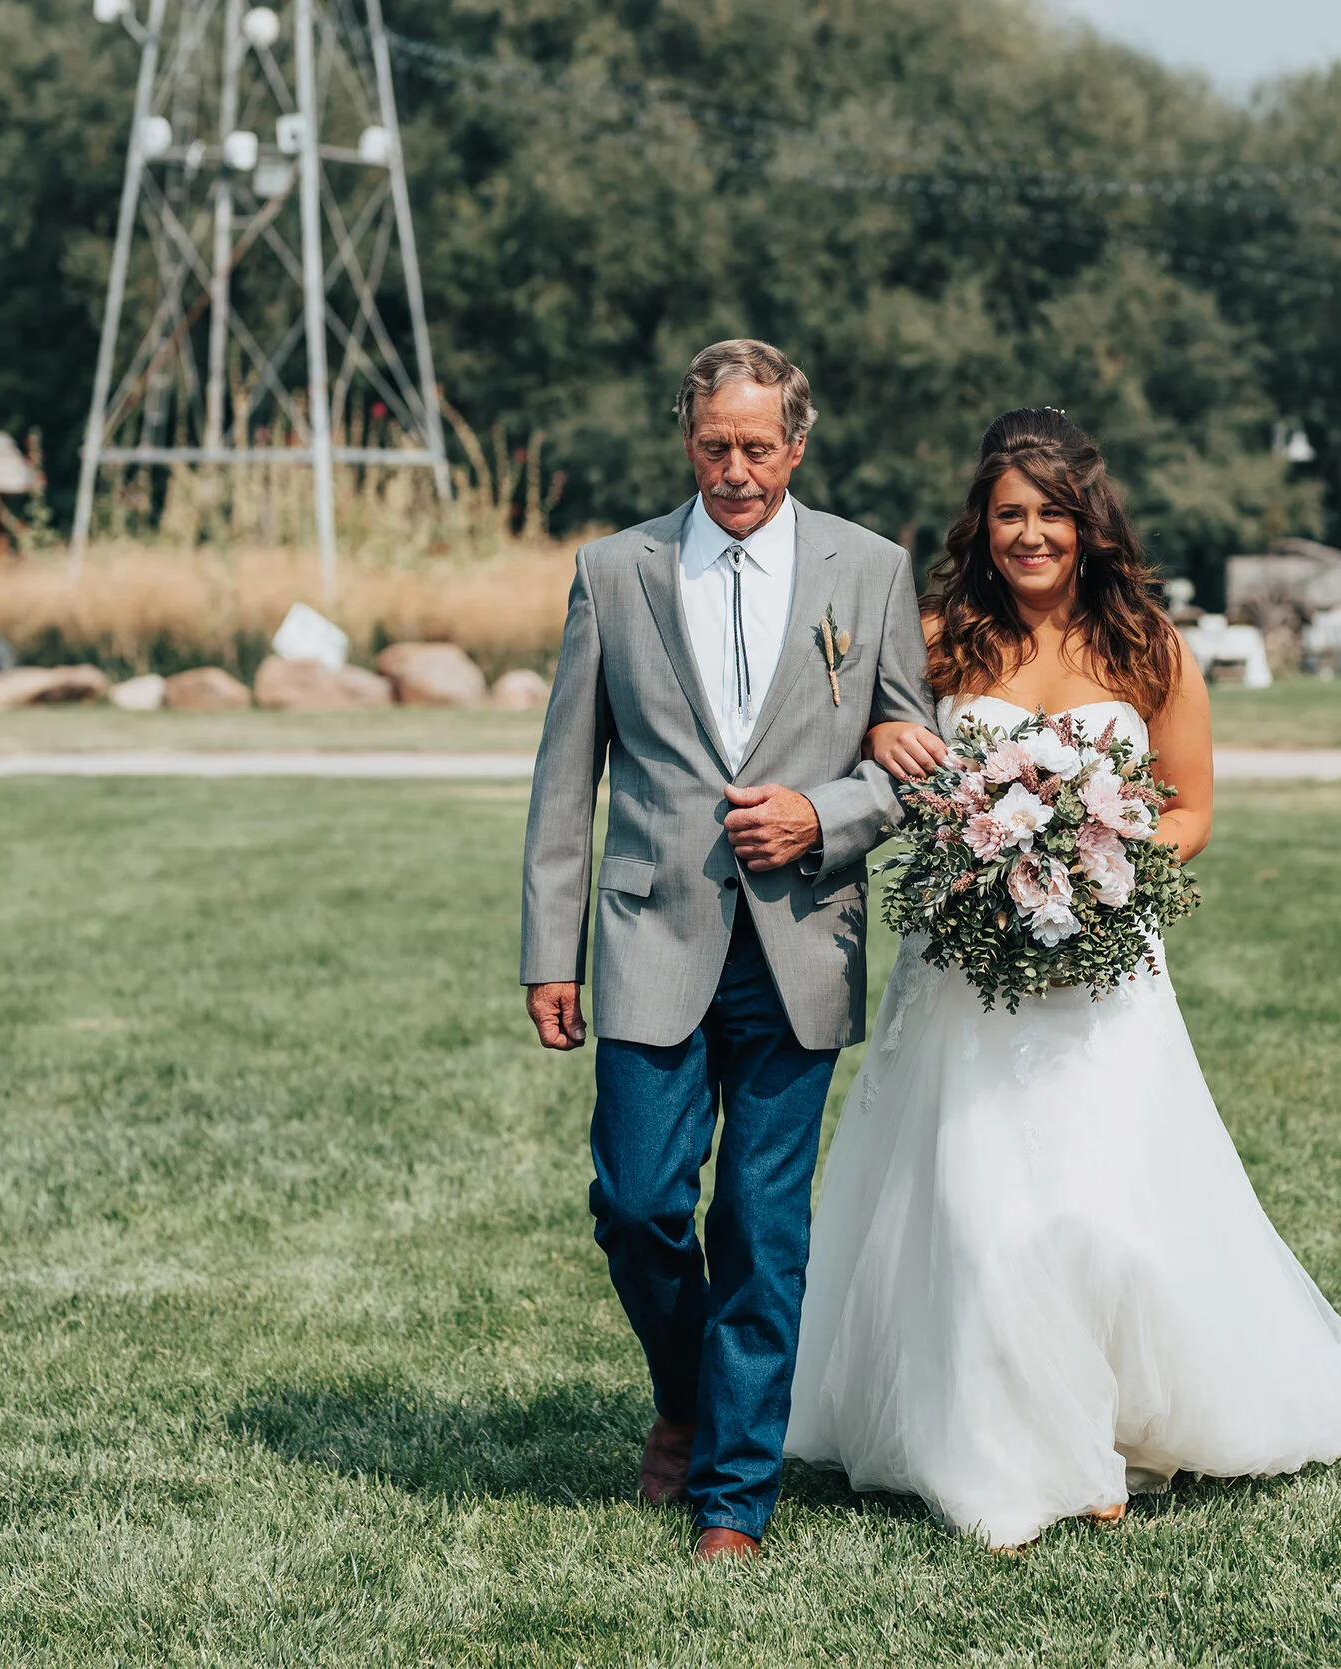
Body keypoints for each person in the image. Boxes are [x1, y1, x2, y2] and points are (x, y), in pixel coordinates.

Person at [784, 407, 1341, 1549]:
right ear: (981, 525)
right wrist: (888, 744)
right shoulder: (934, 637)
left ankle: (1117, 1419)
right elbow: (863, 749)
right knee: (970, 1202)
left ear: (1090, 524)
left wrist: (1098, 874)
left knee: (1098, 1201)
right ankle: (994, 1451)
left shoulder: (1149, 647)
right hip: (964, 970)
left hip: (1102, 971)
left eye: (1052, 515)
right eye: (1009, 514)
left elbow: (1194, 810)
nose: (1031, 535)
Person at [519, 339, 937, 1560]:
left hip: (800, 937)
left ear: (796, 446)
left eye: (759, 447)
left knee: (762, 1228)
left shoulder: (871, 568)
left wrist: (827, 812)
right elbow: (565, 779)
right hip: (651, 932)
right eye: (715, 446)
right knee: (640, 1203)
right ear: (685, 437)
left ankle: (733, 1497)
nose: (736, 470)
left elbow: (912, 752)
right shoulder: (615, 572)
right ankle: (690, 1400)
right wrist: (553, 950)